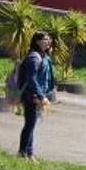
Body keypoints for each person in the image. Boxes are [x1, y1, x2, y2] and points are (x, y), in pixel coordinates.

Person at [17, 31, 55, 159]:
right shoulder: (34, 57)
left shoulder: (44, 56)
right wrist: (40, 95)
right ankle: (23, 153)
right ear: (37, 41)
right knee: (30, 124)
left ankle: (29, 153)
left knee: (32, 124)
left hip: (37, 95)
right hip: (31, 95)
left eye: (49, 38)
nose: (48, 41)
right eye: (45, 39)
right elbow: (31, 79)